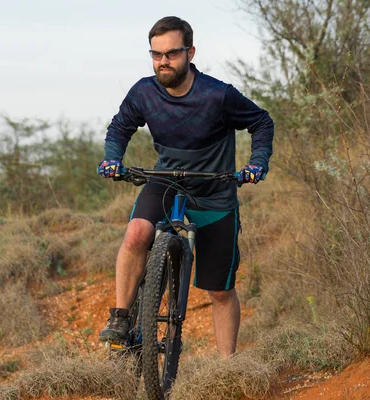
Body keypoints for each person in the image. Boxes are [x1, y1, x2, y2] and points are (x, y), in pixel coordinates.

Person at [97, 16, 274, 357]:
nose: (163, 61)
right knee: (136, 234)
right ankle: (121, 318)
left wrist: (257, 163)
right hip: (165, 181)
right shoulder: (143, 92)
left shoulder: (218, 95)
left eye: (172, 53)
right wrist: (112, 158)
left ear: (190, 52)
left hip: (215, 192)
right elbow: (120, 127)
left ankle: (227, 367)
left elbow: (261, 122)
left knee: (220, 292)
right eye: (156, 54)